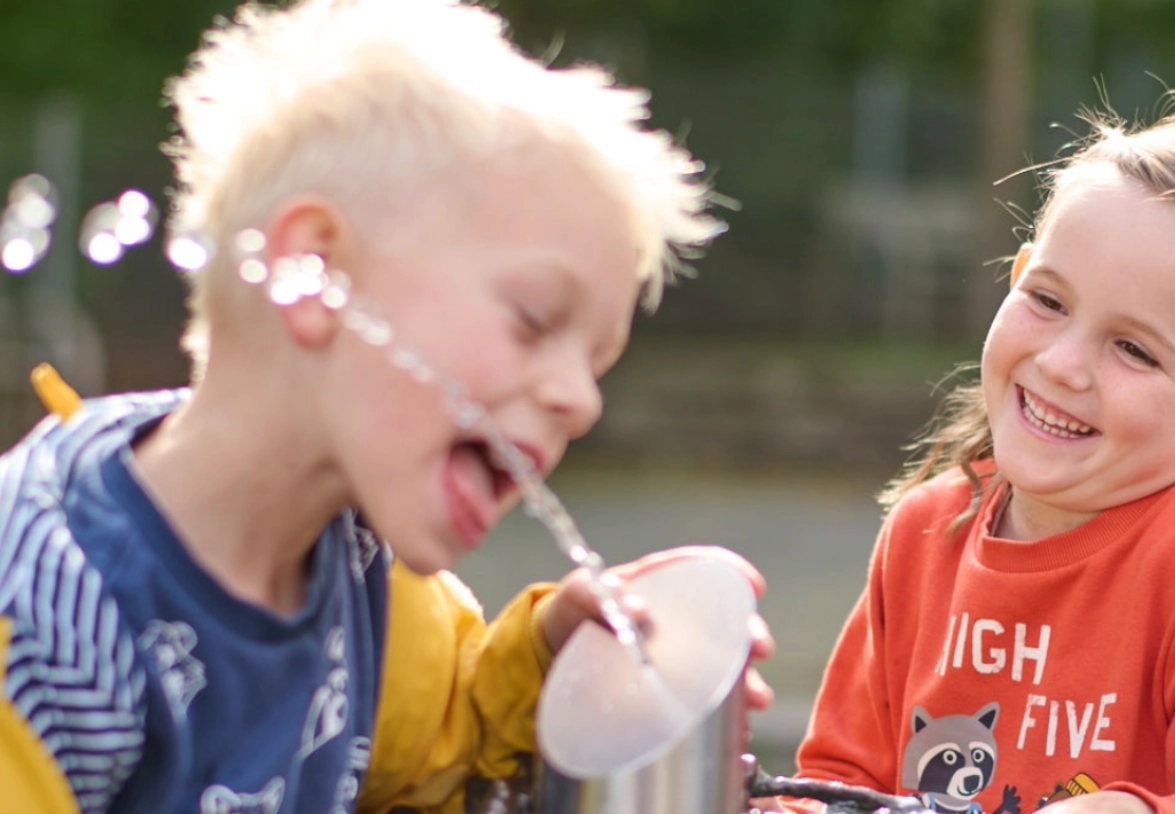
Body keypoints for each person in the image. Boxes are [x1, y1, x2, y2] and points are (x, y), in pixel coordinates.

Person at [0, 1, 772, 812]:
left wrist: (548, 657)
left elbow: (449, 728)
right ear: (316, 274)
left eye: (597, 363)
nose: (579, 402)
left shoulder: (358, 567)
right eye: (535, 320)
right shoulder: (49, 625)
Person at [792, 108, 1175, 814]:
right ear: (1018, 274)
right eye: (1049, 300)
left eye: (1134, 350)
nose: (1061, 365)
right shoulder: (923, 531)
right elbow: (836, 783)